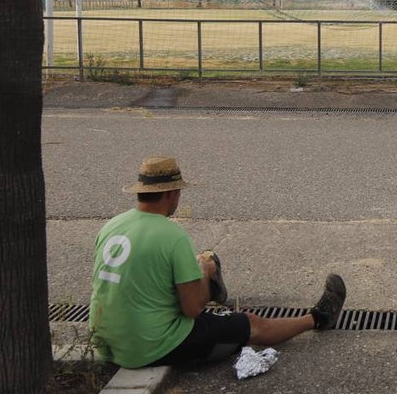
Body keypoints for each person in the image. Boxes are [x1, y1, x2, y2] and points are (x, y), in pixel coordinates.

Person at [89, 156, 346, 368]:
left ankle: (211, 283)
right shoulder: (172, 235)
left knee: (176, 277)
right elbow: (192, 310)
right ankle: (318, 318)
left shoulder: (113, 226)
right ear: (171, 193)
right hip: (150, 348)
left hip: (106, 344)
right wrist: (203, 272)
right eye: (178, 193)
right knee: (252, 323)